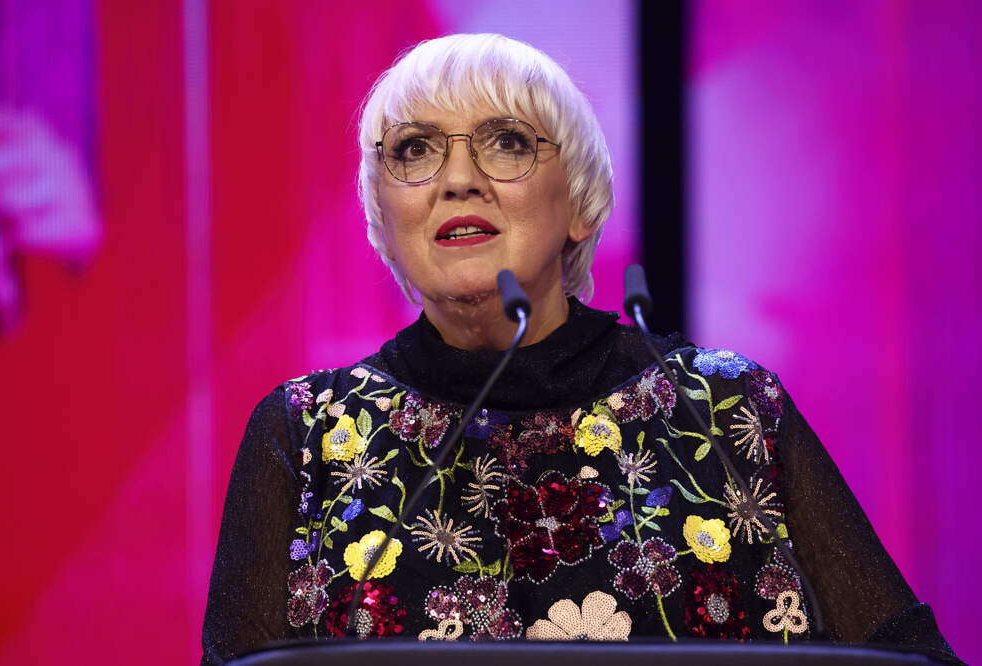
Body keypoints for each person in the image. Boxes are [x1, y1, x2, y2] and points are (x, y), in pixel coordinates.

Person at [202, 34, 961, 664]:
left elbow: (910, 658)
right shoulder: (306, 434)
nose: (457, 180)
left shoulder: (729, 412)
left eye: (506, 143)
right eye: (415, 149)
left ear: (581, 203)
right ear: (385, 217)